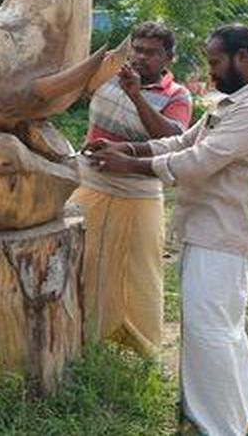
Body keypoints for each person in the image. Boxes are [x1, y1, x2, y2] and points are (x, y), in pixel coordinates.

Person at [86, 24, 248, 436]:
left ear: (242, 59)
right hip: (209, 231)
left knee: (209, 335)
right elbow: (182, 143)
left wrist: (132, 165)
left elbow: (197, 162)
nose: (211, 72)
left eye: (215, 62)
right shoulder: (234, 102)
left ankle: (217, 428)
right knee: (223, 331)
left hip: (222, 235)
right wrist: (131, 148)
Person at [69, 21, 191, 358]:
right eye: (137, 49)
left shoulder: (177, 95)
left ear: (169, 58)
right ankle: (82, 342)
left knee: (137, 275)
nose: (141, 57)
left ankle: (139, 354)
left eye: (152, 53)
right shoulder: (110, 75)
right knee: (83, 262)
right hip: (89, 184)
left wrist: (136, 95)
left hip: (138, 194)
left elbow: (170, 140)